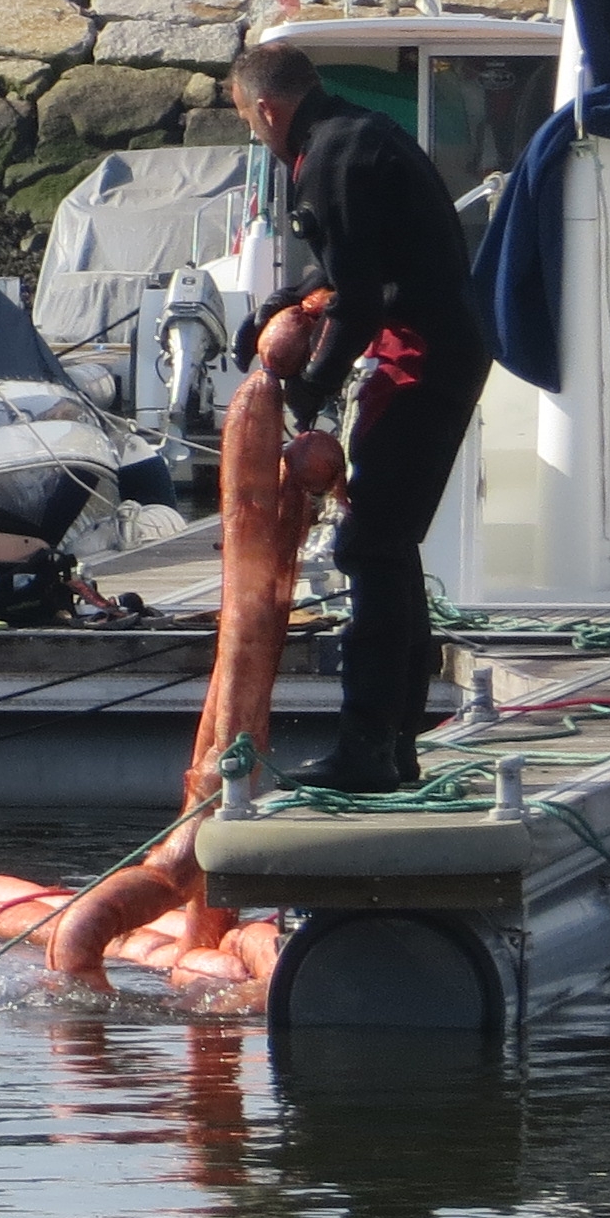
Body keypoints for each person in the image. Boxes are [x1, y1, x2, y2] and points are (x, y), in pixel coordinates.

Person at [230, 42, 491, 793]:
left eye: (251, 121)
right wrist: (282, 307)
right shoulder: (356, 134)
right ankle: (398, 739)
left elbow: (361, 303)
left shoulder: (331, 160)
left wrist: (305, 395)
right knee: (388, 543)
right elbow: (356, 266)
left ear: (269, 110)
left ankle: (368, 748)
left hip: (424, 361)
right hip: (439, 350)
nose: (257, 134)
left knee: (369, 547)